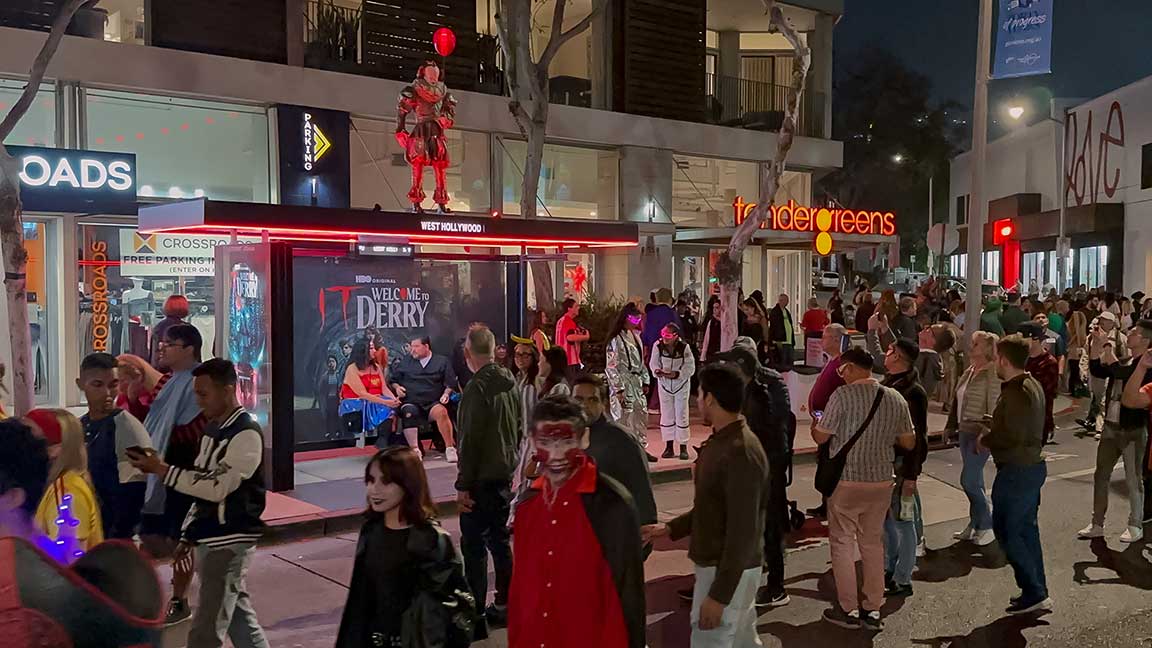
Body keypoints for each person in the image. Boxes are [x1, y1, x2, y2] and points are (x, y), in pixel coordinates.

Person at [128, 358, 271, 648]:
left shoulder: (245, 433)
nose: (198, 401)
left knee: (207, 628)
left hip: (230, 539)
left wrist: (162, 470)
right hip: (214, 537)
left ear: (228, 391)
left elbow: (215, 487)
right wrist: (189, 533)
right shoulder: (212, 430)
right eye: (196, 393)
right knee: (239, 620)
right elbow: (201, 485)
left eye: (203, 394)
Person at [642, 364, 767, 647]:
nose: (697, 401)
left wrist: (719, 595)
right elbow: (714, 507)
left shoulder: (739, 451)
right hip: (727, 568)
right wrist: (671, 528)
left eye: (699, 394)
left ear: (710, 398)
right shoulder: (724, 443)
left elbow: (743, 529)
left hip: (725, 569)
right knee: (743, 640)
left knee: (713, 640)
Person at [511, 397, 646, 648]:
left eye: (565, 441)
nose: (556, 455)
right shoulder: (527, 508)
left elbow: (629, 598)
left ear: (584, 439)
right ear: (532, 442)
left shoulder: (611, 504)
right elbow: (521, 594)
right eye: (546, 442)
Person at [813, 347, 915, 631]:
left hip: (846, 481)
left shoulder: (842, 396)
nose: (840, 374)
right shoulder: (895, 398)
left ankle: (848, 608)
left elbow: (822, 437)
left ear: (852, 368)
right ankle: (873, 608)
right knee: (872, 543)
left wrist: (816, 423)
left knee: (843, 543)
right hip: (881, 480)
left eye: (841, 369)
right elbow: (908, 442)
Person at [336, 447, 476, 648]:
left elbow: (456, 603)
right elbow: (359, 599)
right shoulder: (371, 531)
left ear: (408, 485)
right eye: (370, 480)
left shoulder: (431, 539)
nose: (374, 489)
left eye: (386, 482)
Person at [118, 323, 206, 625]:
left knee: (178, 538)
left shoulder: (200, 382)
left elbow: (192, 429)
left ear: (188, 348)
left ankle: (179, 599)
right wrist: (131, 396)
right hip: (158, 470)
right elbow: (153, 422)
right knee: (153, 534)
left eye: (168, 344)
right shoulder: (168, 381)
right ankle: (155, 593)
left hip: (181, 471)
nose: (161, 348)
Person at [712, 342, 794, 608]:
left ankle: (776, 587)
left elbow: (775, 422)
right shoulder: (737, 389)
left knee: (770, 523)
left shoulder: (769, 385)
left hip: (767, 465)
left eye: (730, 364)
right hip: (742, 464)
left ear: (742, 368)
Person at [454, 326, 521, 630]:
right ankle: (505, 604)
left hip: (481, 479)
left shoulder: (476, 389)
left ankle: (475, 611)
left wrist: (463, 485)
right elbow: (518, 427)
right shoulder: (510, 383)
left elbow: (469, 442)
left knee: (474, 548)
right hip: (503, 475)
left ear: (468, 353)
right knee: (500, 543)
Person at [980, 335, 1051, 615]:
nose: (994, 362)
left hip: (1018, 470)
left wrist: (987, 438)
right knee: (1026, 532)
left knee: (1008, 532)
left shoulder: (1016, 391)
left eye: (996, 357)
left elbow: (1013, 435)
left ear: (1004, 360)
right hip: (1028, 468)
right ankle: (1036, 589)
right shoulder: (1029, 384)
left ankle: (1034, 591)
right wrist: (992, 423)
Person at [1079, 319, 1152, 543]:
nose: (1129, 334)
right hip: (1111, 426)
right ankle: (1097, 523)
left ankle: (1135, 523)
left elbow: (1122, 373)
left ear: (1146, 340)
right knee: (1101, 474)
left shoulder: (1145, 365)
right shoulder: (1127, 360)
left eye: (1135, 333)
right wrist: (1095, 346)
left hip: (1133, 428)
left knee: (1134, 478)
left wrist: (1107, 346)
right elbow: (1098, 369)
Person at [77, 353, 152, 541]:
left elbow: (135, 492)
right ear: (80, 385)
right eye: (97, 385)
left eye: (113, 385)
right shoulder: (79, 425)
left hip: (113, 537)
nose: (107, 393)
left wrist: (117, 538)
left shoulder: (127, 427)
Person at [573, 374, 658, 533]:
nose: (584, 405)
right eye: (578, 399)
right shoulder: (567, 437)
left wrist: (644, 530)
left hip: (613, 533)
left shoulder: (621, 439)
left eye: (592, 400)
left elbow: (641, 488)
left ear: (603, 403)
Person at [879, 340, 929, 598]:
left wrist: (912, 474)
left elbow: (918, 437)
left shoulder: (913, 392)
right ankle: (890, 565)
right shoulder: (889, 384)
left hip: (903, 466)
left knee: (904, 520)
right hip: (886, 463)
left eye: (889, 351)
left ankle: (903, 576)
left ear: (898, 357)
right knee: (888, 519)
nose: (886, 355)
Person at [26, 409, 103, 563]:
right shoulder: (58, 485)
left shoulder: (67, 491)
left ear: (55, 449)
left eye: (27, 439)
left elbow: (70, 558)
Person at [946, 331, 1000, 545]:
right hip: (964, 430)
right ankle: (975, 524)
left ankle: (987, 523)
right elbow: (956, 400)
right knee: (975, 481)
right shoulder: (969, 371)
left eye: (976, 344)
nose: (971, 347)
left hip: (979, 432)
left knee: (968, 480)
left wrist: (985, 434)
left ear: (987, 349)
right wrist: (951, 425)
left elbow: (993, 406)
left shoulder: (992, 373)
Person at [391, 335, 458, 462]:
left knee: (442, 412)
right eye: (411, 347)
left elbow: (450, 383)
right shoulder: (406, 361)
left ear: (426, 346)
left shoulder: (441, 361)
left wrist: (446, 394)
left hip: (433, 402)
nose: (413, 350)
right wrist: (397, 388)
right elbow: (394, 380)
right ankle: (415, 450)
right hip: (411, 401)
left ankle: (450, 448)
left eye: (416, 346)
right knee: (408, 413)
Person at [605, 303, 654, 459]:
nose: (637, 321)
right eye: (634, 318)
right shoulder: (616, 339)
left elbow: (641, 362)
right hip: (623, 381)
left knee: (641, 415)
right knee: (623, 417)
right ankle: (622, 452)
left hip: (636, 381)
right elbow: (611, 366)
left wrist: (645, 381)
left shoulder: (636, 336)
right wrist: (618, 388)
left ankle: (640, 449)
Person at [340, 339, 401, 448]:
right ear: (364, 351)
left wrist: (394, 400)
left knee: (393, 409)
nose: (375, 351)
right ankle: (383, 442)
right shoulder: (352, 369)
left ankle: (384, 441)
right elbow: (362, 394)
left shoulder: (376, 367)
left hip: (376, 401)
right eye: (372, 348)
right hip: (357, 403)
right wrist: (386, 402)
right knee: (386, 408)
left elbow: (384, 388)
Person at [650, 323, 696, 460]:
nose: (665, 338)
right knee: (666, 414)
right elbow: (653, 363)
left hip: (681, 385)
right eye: (663, 334)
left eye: (668, 335)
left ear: (676, 336)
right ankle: (669, 446)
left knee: (681, 413)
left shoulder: (684, 347)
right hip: (664, 385)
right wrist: (657, 371)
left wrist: (677, 374)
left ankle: (683, 446)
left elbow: (690, 367)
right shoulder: (657, 346)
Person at [1017, 322, 1060, 445]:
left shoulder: (1048, 363)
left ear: (1034, 339)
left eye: (1022, 338)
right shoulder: (1021, 359)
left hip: (1037, 419)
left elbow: (1044, 394)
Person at [149, 294, 190, 370]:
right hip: (183, 370)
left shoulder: (159, 327)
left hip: (161, 370)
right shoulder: (187, 329)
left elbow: (154, 354)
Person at [555, 298, 590, 378]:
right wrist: (585, 337)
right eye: (576, 306)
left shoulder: (560, 321)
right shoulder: (568, 321)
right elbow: (570, 337)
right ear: (569, 309)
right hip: (570, 360)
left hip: (563, 360)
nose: (578, 308)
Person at [768, 293, 796, 370]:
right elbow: (774, 327)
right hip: (781, 341)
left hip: (789, 341)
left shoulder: (786, 311)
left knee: (789, 361)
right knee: (782, 362)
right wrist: (775, 340)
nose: (787, 302)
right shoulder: (775, 312)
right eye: (786, 300)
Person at [700, 297, 723, 361]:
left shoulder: (726, 323)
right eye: (714, 308)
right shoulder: (711, 322)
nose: (715, 310)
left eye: (717, 307)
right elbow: (706, 340)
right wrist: (703, 356)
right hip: (711, 353)